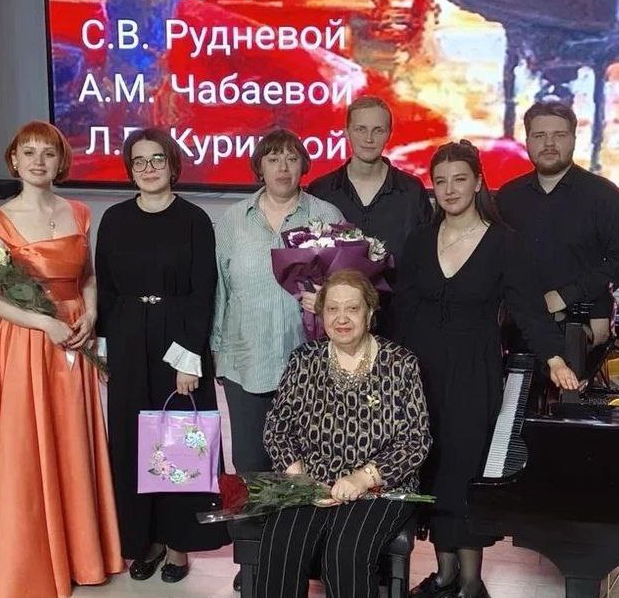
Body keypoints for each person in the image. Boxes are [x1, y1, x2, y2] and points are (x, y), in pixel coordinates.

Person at [396, 141, 578, 598]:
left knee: (464, 475)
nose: (450, 189)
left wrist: (555, 358)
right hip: (417, 377)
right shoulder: (418, 241)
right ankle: (444, 575)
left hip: (474, 375)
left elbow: (529, 310)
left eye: (460, 179)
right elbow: (401, 312)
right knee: (430, 470)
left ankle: (471, 582)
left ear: (478, 182)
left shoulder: (504, 242)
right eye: (441, 181)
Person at [0, 121, 122, 598]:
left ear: (61, 161)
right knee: (26, 448)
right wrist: (44, 324)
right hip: (25, 346)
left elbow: (87, 277)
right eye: (29, 152)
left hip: (74, 338)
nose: (39, 161)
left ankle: (81, 553)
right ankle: (33, 559)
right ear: (14, 160)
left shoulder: (80, 212)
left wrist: (90, 314)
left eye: (48, 152)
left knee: (73, 441)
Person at [95, 128, 230, 584]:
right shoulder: (114, 218)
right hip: (128, 337)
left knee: (178, 442)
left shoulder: (194, 219)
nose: (149, 168)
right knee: (135, 442)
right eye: (139, 161)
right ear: (129, 169)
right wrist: (104, 347)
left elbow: (203, 290)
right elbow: (106, 288)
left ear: (173, 164)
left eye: (157, 159)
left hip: (179, 338)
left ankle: (177, 544)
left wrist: (189, 356)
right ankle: (144, 540)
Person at [212, 128, 344, 591]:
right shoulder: (232, 221)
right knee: (249, 466)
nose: (283, 167)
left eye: (291, 158)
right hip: (244, 361)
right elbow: (220, 290)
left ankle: (300, 559)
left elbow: (349, 287)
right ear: (259, 167)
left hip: (309, 369)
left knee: (306, 466)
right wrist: (216, 352)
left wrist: (325, 299)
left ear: (304, 165)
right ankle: (251, 560)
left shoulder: (326, 216)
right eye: (273, 159)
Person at [257, 269, 431, 598]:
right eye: (332, 309)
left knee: (344, 556)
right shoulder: (303, 360)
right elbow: (277, 427)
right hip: (311, 480)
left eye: (352, 308)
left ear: (370, 312)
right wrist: (299, 477)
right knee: (281, 545)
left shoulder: (400, 364)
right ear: (321, 314)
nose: (342, 318)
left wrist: (362, 478)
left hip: (378, 486)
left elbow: (416, 440)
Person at [496, 101, 619, 351]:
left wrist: (565, 296)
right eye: (539, 135)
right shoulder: (507, 197)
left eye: (559, 135)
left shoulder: (604, 195)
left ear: (573, 139)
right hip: (517, 328)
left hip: (580, 329)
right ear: (527, 141)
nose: (549, 144)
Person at [307, 95, 433, 335]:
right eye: (360, 129)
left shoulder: (412, 191)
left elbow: (427, 261)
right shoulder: (320, 191)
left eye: (378, 130)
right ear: (347, 132)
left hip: (401, 327)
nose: (368, 138)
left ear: (389, 134)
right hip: (338, 331)